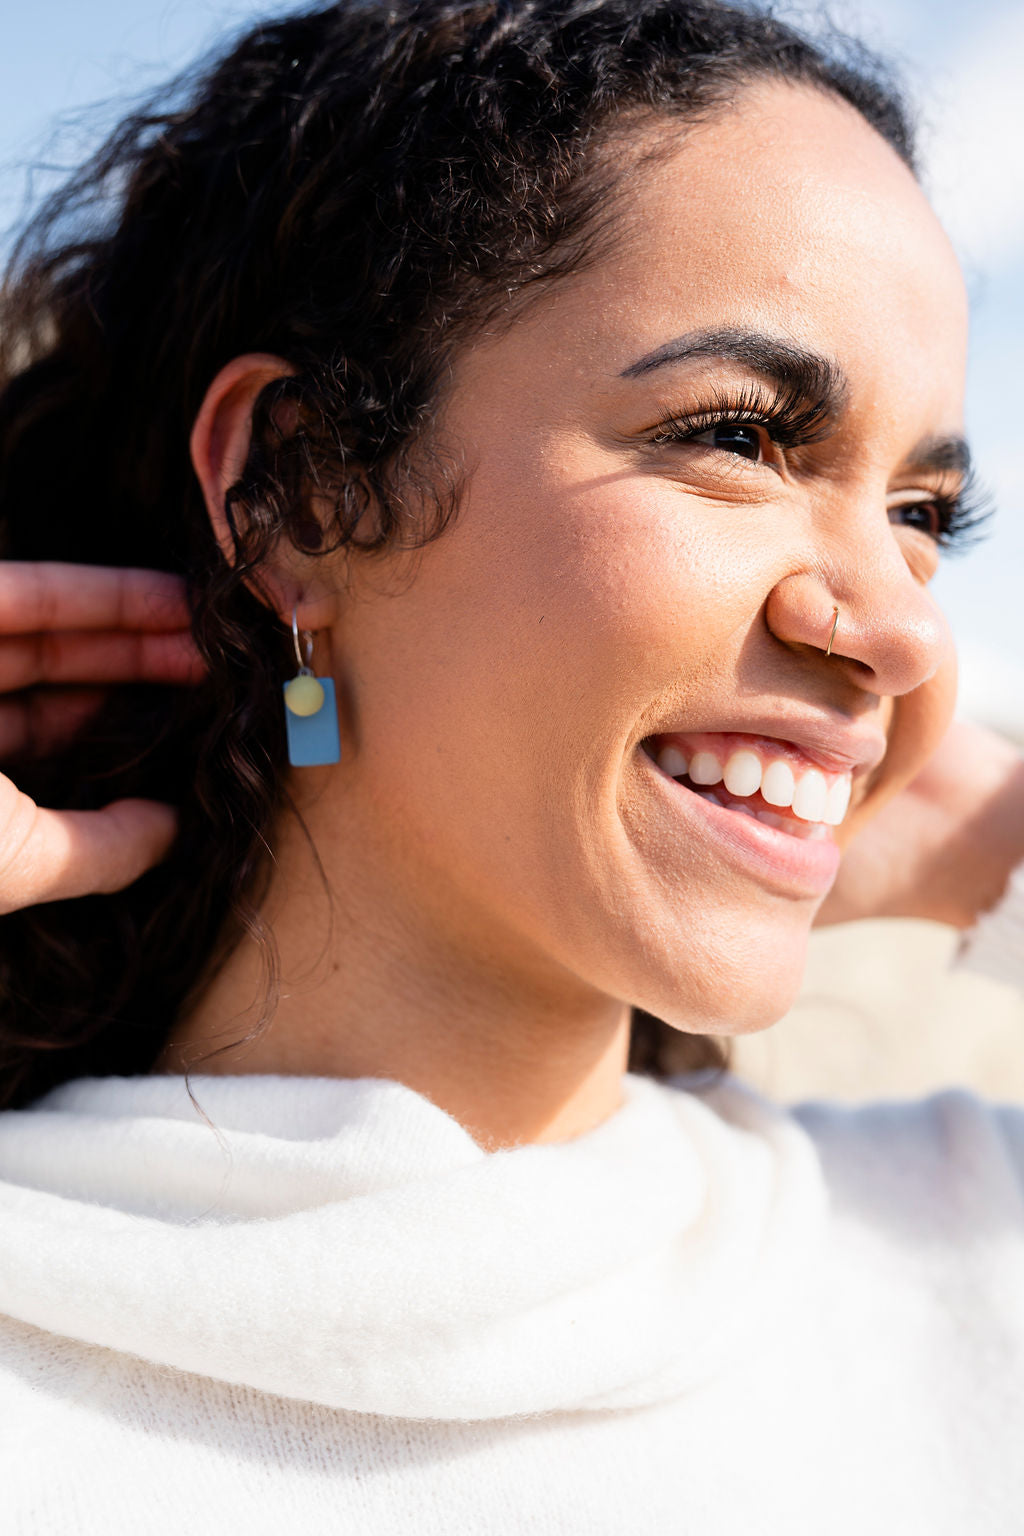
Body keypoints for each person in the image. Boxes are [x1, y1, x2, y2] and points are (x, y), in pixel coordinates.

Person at [0, 0, 1023, 1528]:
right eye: (742, 436)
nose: (901, 631)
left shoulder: (969, 1254)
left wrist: (987, 841)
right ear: (298, 490)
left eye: (922, 517)